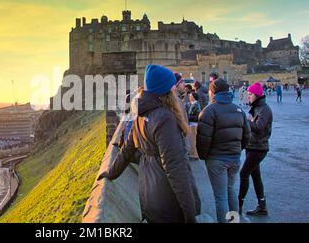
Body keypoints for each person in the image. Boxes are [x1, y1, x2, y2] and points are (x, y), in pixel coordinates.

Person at [98, 65, 200, 223]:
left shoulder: (141, 113)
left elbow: (127, 150)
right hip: (168, 200)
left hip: (149, 194)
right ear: (165, 89)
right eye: (172, 84)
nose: (175, 86)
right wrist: (189, 212)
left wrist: (111, 172)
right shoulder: (165, 118)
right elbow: (175, 169)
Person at [196, 78, 251, 223]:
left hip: (216, 159)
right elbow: (247, 136)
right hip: (234, 158)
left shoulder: (209, 111)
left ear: (212, 92)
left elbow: (203, 139)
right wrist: (237, 149)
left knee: (221, 197)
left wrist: (204, 156)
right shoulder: (238, 109)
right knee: (231, 190)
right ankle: (234, 221)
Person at [239, 82, 273, 216]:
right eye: (247, 94)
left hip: (258, 148)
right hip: (252, 146)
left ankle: (238, 206)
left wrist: (246, 121)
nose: (248, 97)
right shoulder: (257, 107)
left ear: (257, 95)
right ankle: (262, 206)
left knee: (244, 174)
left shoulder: (264, 109)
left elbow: (259, 128)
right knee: (255, 175)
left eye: (250, 94)